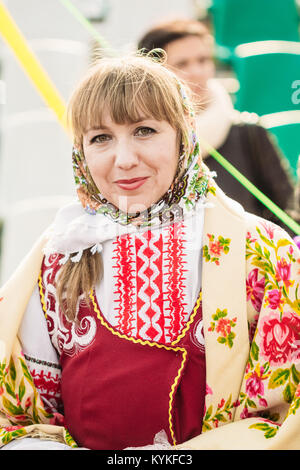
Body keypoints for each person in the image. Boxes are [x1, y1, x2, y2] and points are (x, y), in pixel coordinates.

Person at [0, 53, 300, 451]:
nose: (124, 160)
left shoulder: (262, 251)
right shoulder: (58, 257)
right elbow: (20, 419)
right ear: (80, 153)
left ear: (184, 136)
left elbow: (287, 417)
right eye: (100, 138)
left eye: (144, 130)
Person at [137, 19, 295, 233]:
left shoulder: (248, 133)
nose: (197, 72)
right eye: (182, 64)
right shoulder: (138, 146)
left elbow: (288, 215)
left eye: (203, 60)